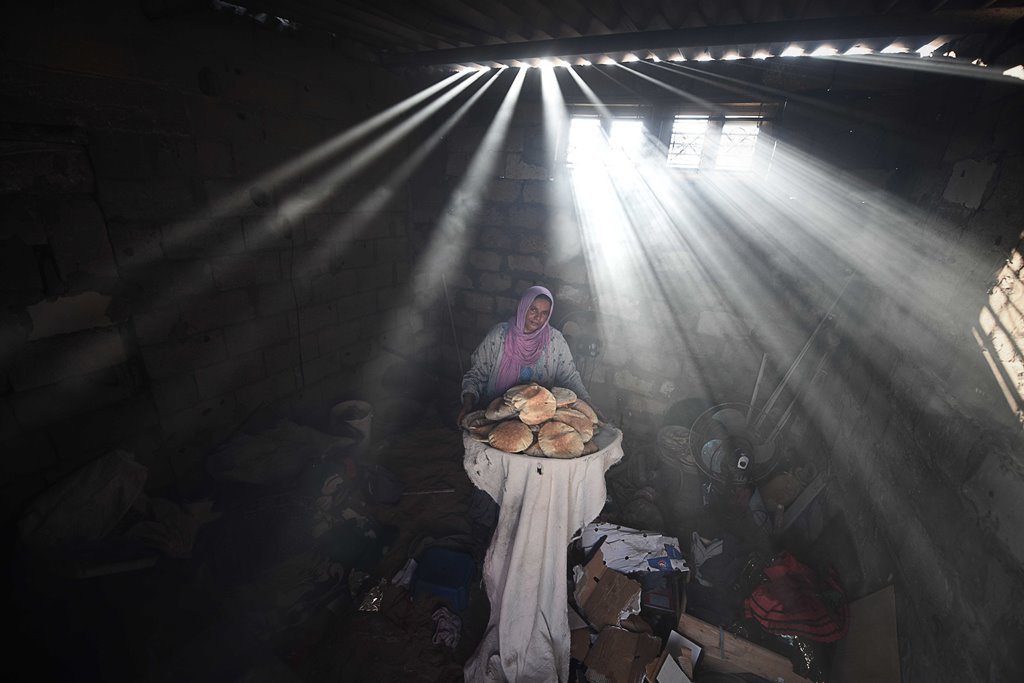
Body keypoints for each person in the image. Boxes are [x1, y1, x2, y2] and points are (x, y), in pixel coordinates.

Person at [457, 285, 597, 426]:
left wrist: (588, 403)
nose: (537, 317)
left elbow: (570, 377)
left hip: (537, 421)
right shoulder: (499, 336)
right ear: (523, 307)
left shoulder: (555, 341)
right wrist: (468, 403)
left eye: (544, 313)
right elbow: (477, 374)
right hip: (495, 417)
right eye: (533, 310)